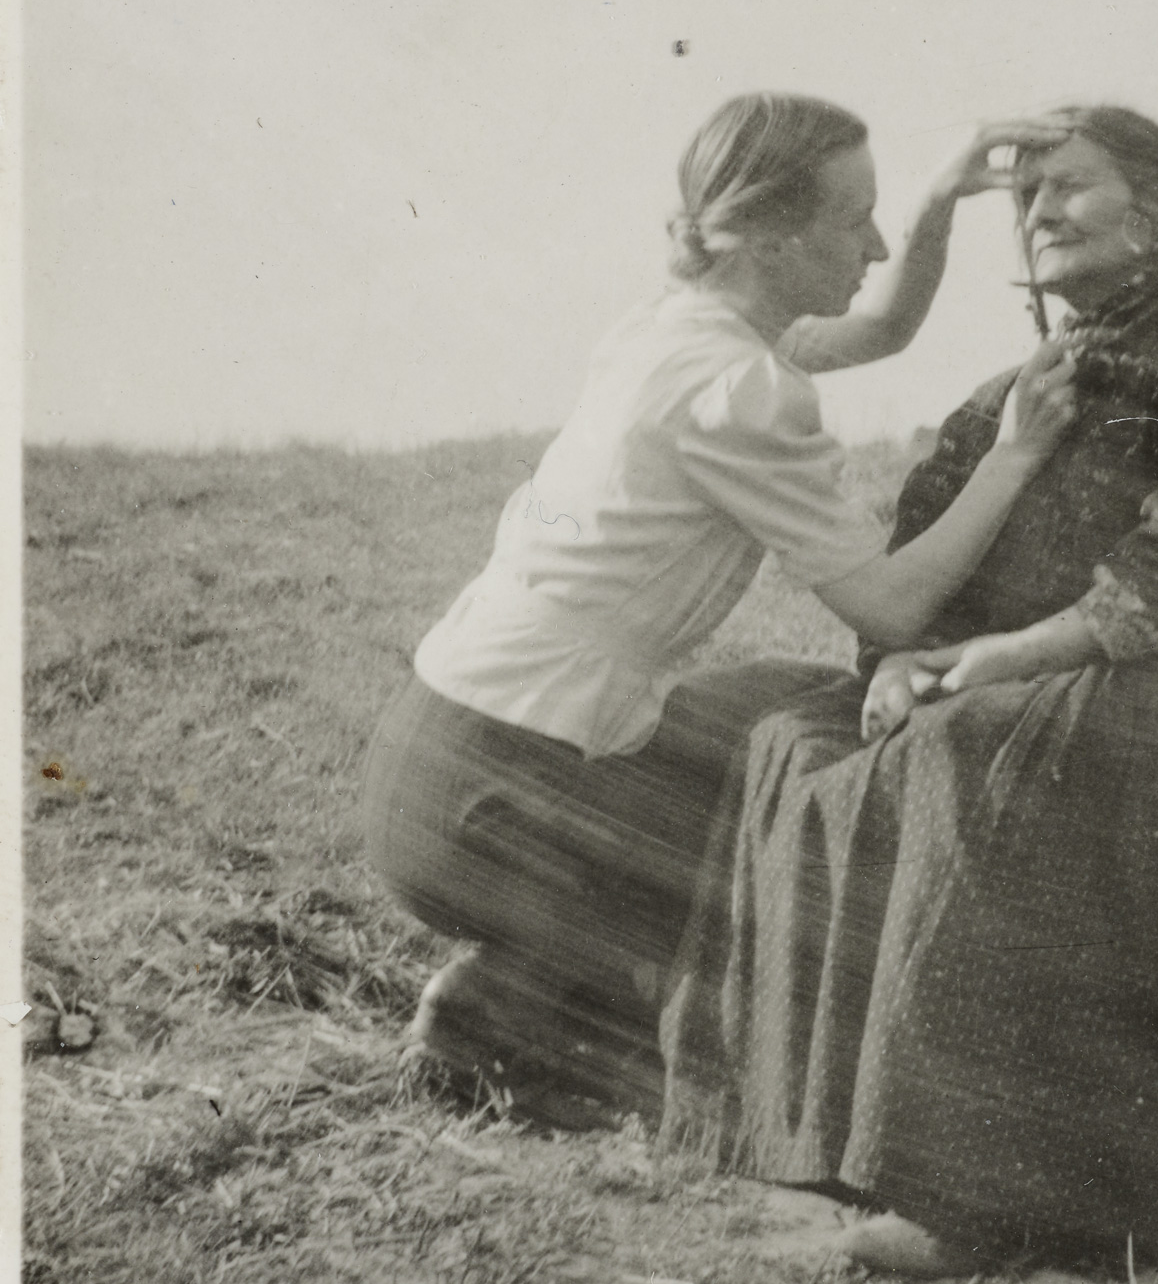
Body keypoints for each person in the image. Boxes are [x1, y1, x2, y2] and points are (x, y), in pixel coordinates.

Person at [659, 104, 1158, 1275]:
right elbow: (926, 557)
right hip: (1051, 696)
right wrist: (903, 664)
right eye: (1027, 195)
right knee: (792, 733)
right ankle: (811, 1132)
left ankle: (981, 1194)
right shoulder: (1008, 393)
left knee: (984, 748)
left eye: (1070, 185)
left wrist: (1007, 659)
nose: (1039, 211)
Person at [360, 92, 1080, 1121]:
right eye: (855, 221)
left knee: (787, 705)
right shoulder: (740, 388)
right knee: (788, 780)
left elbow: (884, 326)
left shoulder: (675, 326)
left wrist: (940, 199)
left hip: (435, 759)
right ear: (773, 238)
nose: (877, 246)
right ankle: (506, 1003)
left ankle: (555, 978)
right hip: (493, 805)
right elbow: (892, 602)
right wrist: (1015, 453)